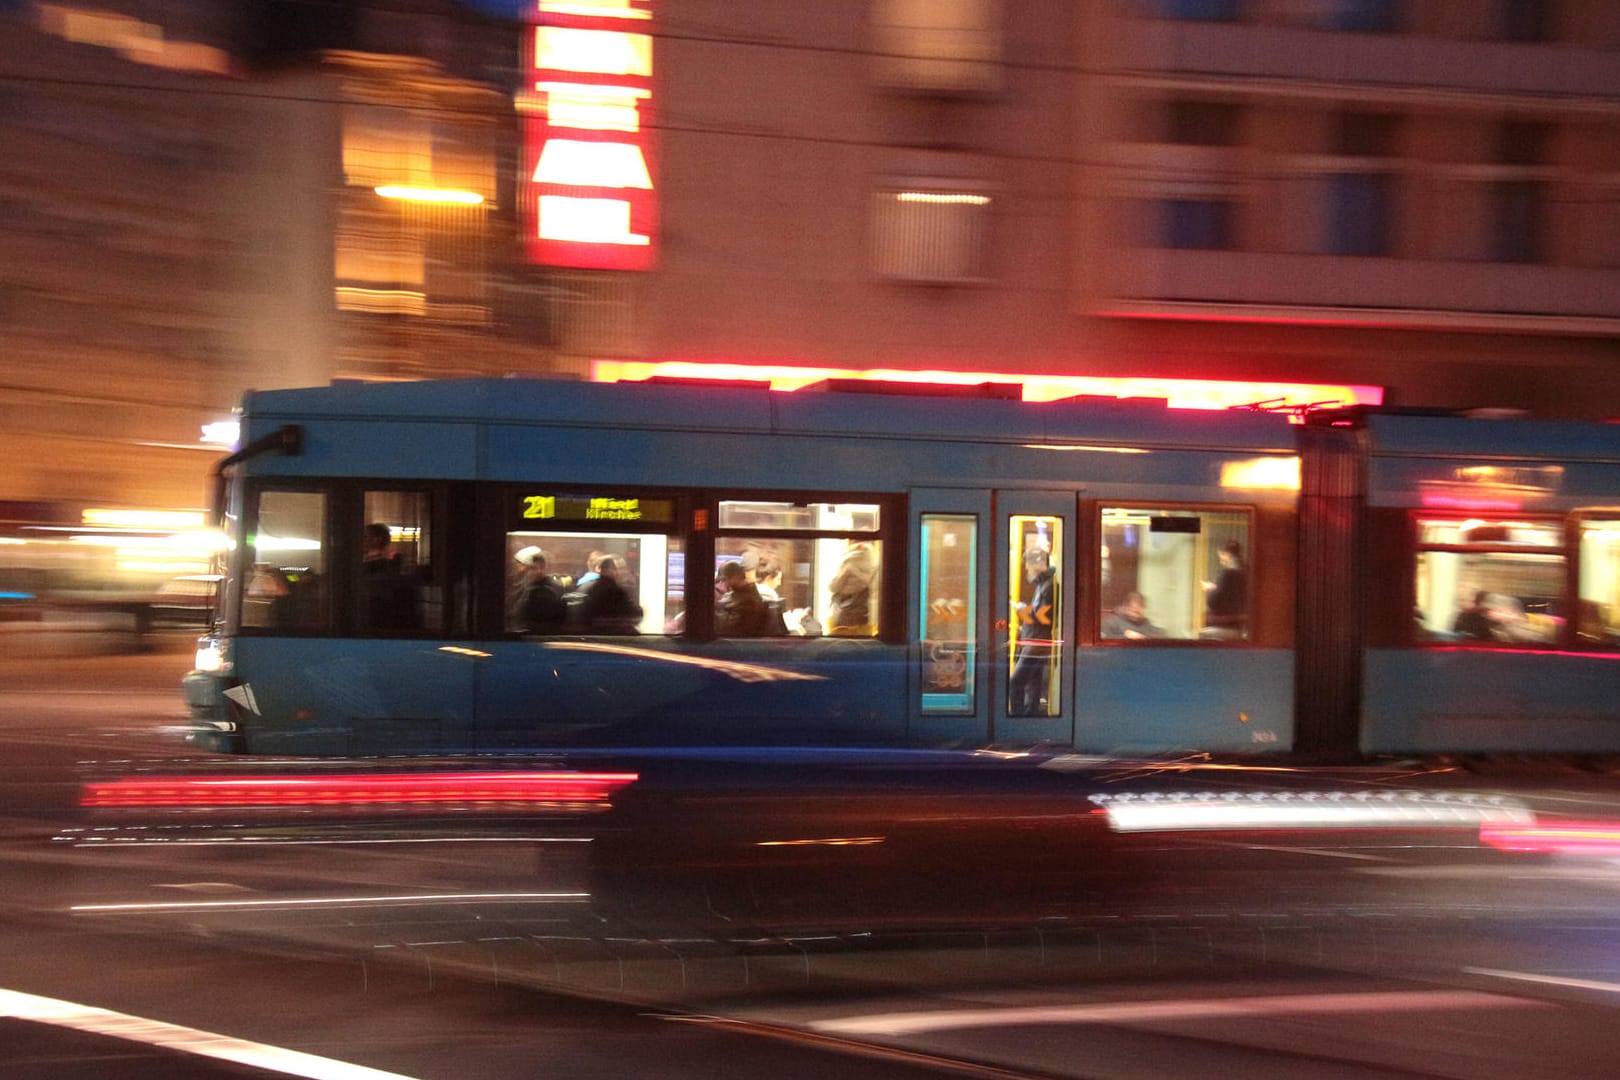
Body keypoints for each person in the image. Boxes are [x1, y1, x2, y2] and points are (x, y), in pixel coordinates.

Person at [1009, 547, 1058, 716]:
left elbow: (1040, 615)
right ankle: (1031, 715)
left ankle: (1016, 718)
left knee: (1016, 681)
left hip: (1037, 641)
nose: (1026, 569)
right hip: (1037, 639)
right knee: (1033, 681)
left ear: (1035, 564)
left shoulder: (1047, 586)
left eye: (1028, 565)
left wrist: (1020, 608)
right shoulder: (1046, 584)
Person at [361, 522, 416, 630]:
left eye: (365, 536)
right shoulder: (387, 567)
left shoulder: (381, 567)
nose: (362, 540)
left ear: (377, 539)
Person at [509, 545, 567, 634]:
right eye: (533, 568)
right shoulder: (527, 585)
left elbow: (547, 621)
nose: (538, 571)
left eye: (541, 567)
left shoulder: (549, 589)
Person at [579, 554, 641, 633]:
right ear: (609, 570)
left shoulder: (584, 586)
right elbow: (633, 614)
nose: (622, 572)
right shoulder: (613, 590)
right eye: (619, 569)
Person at [827, 540, 878, 636]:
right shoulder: (874, 560)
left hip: (846, 616)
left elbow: (834, 586)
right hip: (865, 614)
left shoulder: (850, 560)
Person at [1202, 540, 1248, 637]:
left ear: (1228, 555)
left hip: (1226, 626)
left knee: (1198, 634)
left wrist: (1210, 589)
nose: (1220, 560)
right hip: (1239, 626)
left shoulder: (1227, 574)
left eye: (1221, 556)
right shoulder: (1246, 573)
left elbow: (1213, 602)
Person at [714, 560, 772, 637]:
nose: (725, 582)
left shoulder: (748, 602)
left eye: (726, 579)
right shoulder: (738, 595)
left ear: (734, 577)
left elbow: (727, 629)